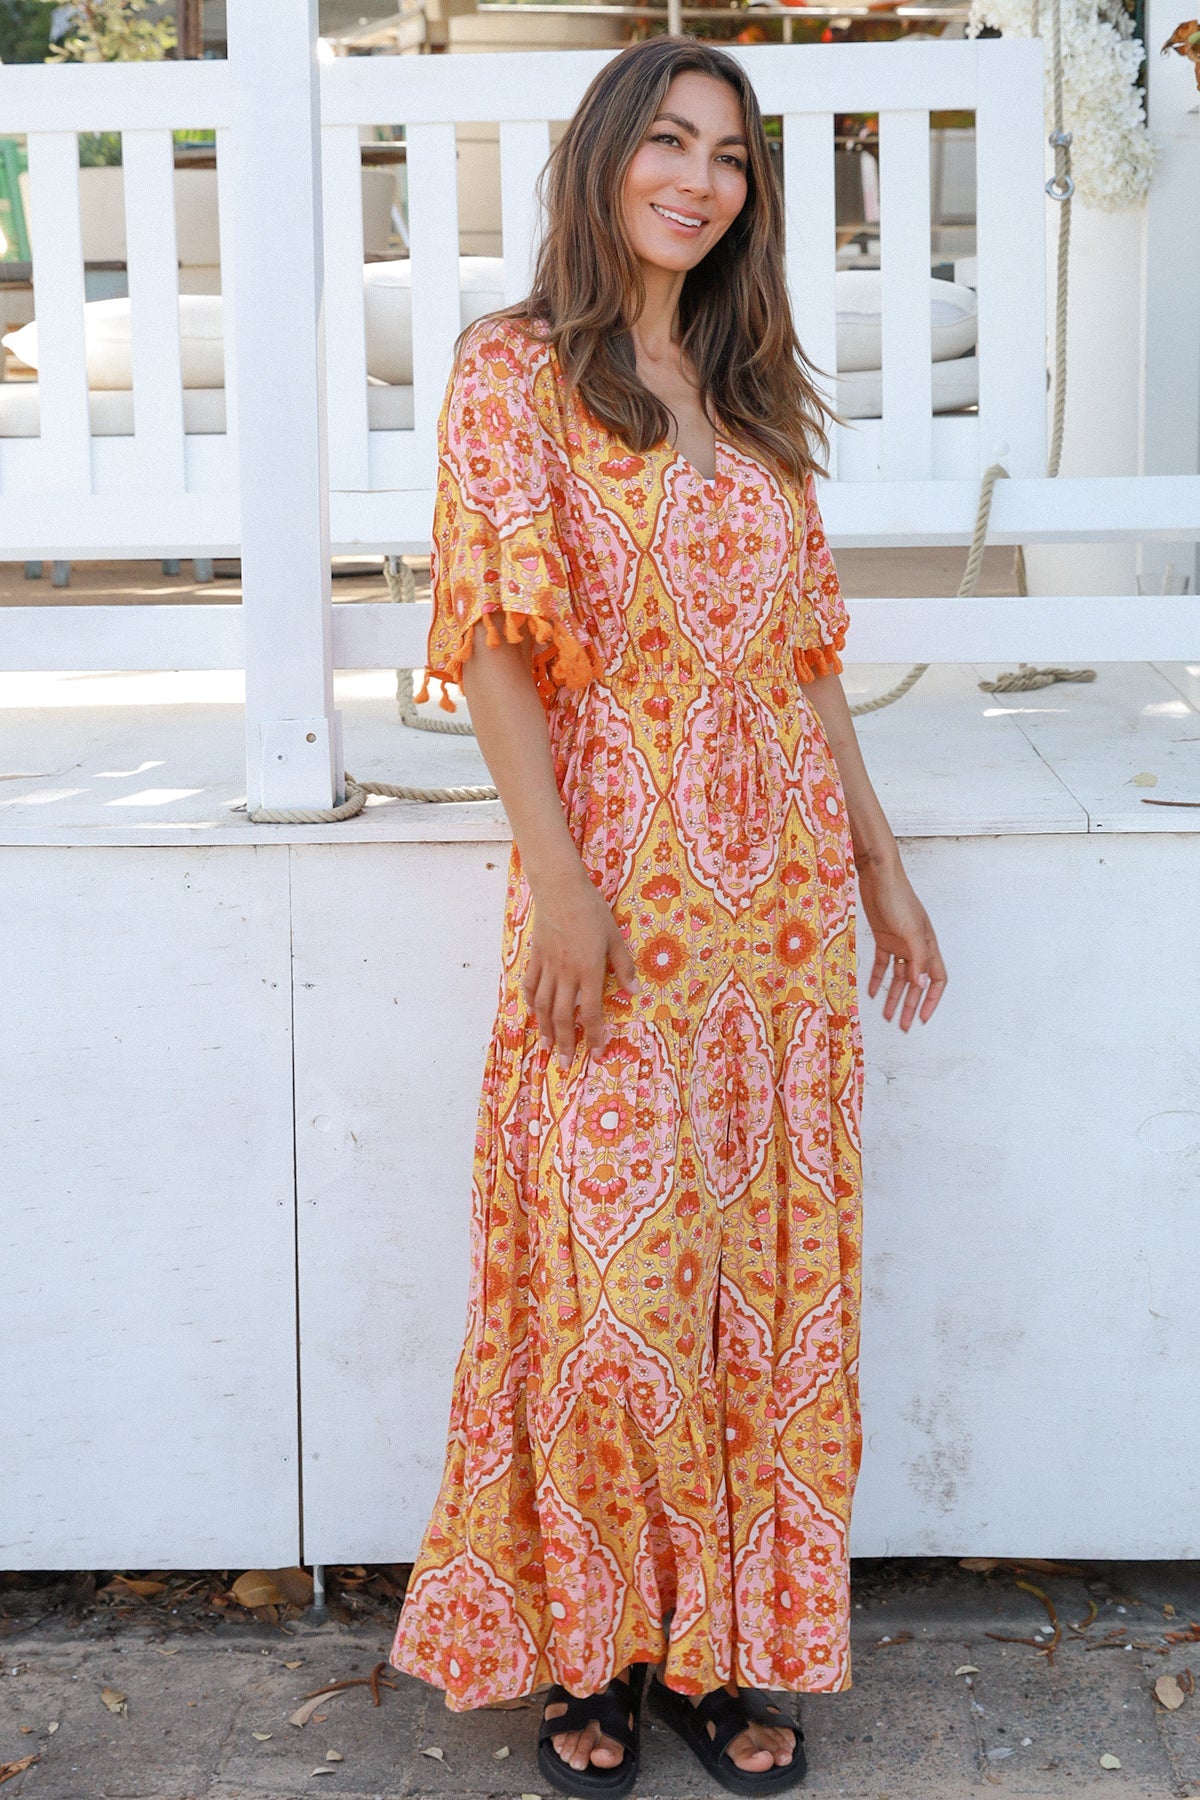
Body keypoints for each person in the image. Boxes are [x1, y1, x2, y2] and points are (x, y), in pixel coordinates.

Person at [390, 35, 947, 1798]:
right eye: (672, 142)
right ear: (606, 154)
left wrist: (878, 861)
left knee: (756, 1289)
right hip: (618, 894)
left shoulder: (748, 388)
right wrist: (560, 885)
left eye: (731, 157)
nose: (699, 180)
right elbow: (492, 643)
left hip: (780, 923)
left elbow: (807, 659)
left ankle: (718, 1652)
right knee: (612, 1277)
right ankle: (598, 1647)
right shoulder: (513, 370)